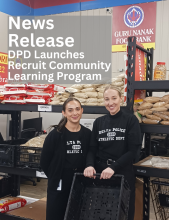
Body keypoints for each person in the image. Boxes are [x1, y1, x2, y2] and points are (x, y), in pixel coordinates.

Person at [84, 85, 142, 220]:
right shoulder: (99, 122)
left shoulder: (130, 120)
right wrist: (89, 165)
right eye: (107, 99)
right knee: (103, 211)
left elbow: (133, 151)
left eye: (114, 98)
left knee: (124, 212)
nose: (110, 103)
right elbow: (92, 149)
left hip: (122, 172)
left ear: (121, 99)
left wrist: (113, 167)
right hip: (101, 173)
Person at [40, 97, 91, 220]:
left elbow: (90, 155)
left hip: (80, 179)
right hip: (60, 179)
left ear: (82, 110)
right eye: (70, 110)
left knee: (77, 212)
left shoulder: (87, 134)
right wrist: (55, 176)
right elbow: (44, 161)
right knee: (56, 213)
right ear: (64, 113)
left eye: (77, 109)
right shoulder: (55, 135)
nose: (75, 113)